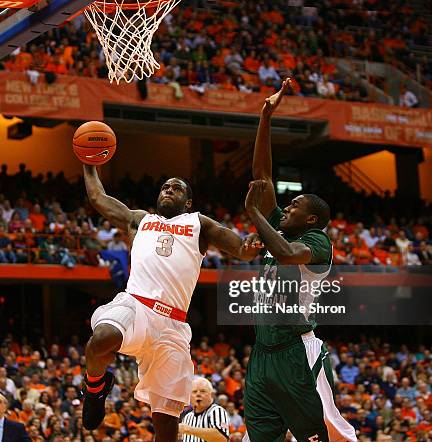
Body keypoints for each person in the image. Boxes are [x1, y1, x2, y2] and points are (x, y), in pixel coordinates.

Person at [80, 162, 258, 441]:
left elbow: (241, 250)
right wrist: (88, 164)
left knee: (165, 423)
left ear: (187, 202)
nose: (168, 190)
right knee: (101, 337)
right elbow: (98, 199)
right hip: (136, 305)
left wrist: (251, 244)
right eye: (165, 187)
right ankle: (94, 389)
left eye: (176, 188)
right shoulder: (140, 220)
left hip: (172, 325)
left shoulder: (199, 223)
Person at [242, 79, 357, 442]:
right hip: (262, 351)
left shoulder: (316, 241)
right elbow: (262, 178)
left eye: (293, 206)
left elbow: (288, 255)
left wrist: (255, 216)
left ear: (310, 218)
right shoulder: (281, 228)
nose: (285, 207)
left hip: (297, 350)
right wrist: (265, 117)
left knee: (325, 434)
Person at [179, 377, 230, 442]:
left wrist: (189, 430)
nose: (198, 394)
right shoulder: (187, 417)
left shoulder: (217, 411)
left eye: (203, 391)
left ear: (211, 395)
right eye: (194, 392)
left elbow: (222, 438)